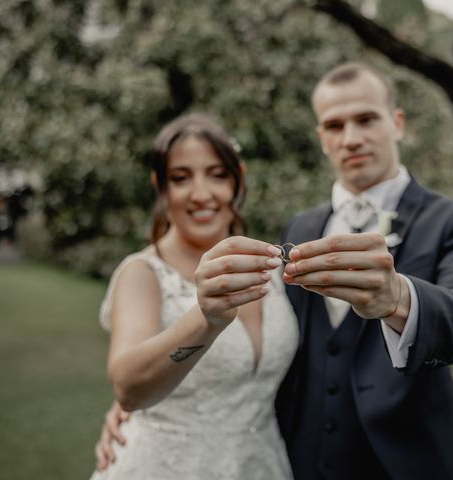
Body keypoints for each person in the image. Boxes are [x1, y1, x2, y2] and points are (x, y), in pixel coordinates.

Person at [96, 62, 453, 479]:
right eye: (335, 125)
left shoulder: (452, 219)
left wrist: (397, 297)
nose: (352, 138)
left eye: (366, 119)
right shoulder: (299, 229)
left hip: (412, 466)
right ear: (322, 138)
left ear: (397, 123)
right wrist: (145, 399)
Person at [90, 113, 298, 479]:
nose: (201, 194)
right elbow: (127, 388)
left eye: (217, 174)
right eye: (181, 178)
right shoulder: (142, 274)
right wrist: (205, 320)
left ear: (238, 179)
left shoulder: (272, 268)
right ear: (161, 186)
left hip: (261, 463)